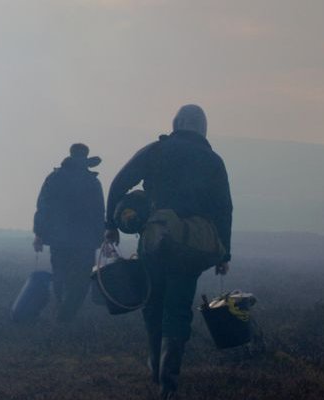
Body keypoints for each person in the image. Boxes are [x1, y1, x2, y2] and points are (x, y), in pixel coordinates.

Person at [104, 104, 232, 399]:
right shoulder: (214, 161)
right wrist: (224, 253)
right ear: (203, 128)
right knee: (178, 309)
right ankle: (168, 382)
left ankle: (155, 367)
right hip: (191, 247)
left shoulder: (156, 150)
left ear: (176, 123)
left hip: (155, 241)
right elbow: (224, 209)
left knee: (153, 305)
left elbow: (118, 183)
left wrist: (110, 224)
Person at [33, 143, 106, 322]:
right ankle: (65, 315)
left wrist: (39, 233)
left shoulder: (54, 178)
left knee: (61, 275)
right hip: (85, 241)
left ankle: (61, 311)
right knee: (81, 281)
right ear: (86, 157)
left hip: (59, 239)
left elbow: (43, 207)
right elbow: (99, 212)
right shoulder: (92, 181)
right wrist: (102, 237)